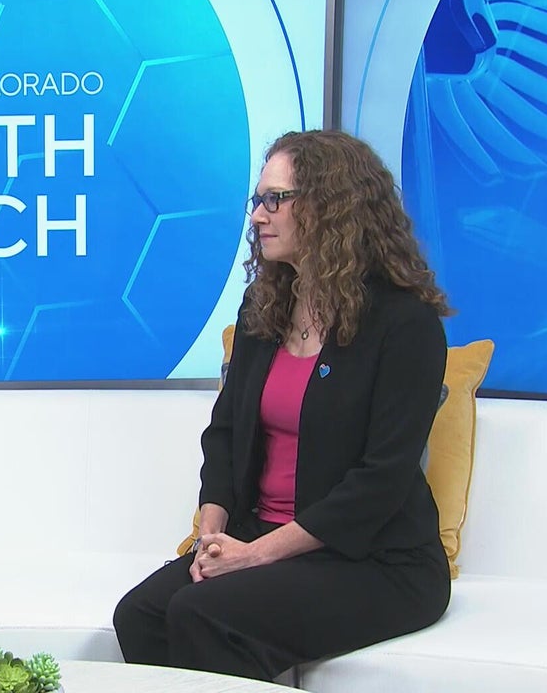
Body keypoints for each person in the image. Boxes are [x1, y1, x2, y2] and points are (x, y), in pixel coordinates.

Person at [113, 129, 453, 682]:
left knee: (204, 613)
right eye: (259, 199)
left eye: (276, 200)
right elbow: (225, 432)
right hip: (261, 534)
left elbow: (381, 482)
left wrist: (254, 556)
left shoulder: (404, 323)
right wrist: (211, 534)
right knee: (141, 614)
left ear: (330, 207)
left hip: (376, 560)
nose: (258, 216)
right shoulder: (265, 305)